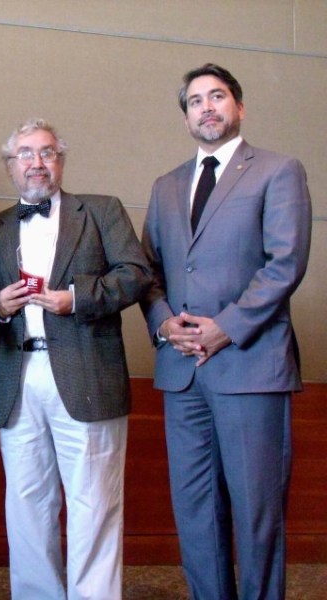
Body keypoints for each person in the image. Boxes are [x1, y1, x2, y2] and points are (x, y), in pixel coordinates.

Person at [141, 63, 312, 600]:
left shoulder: (279, 171)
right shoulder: (165, 186)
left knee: (256, 513)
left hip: (250, 366)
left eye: (217, 97)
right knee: (195, 513)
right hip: (181, 372)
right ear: (186, 115)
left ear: (239, 107)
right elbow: (147, 273)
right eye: (195, 100)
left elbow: (285, 263)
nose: (207, 107)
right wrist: (164, 323)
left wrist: (226, 328)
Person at [0, 118, 152, 600]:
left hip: (87, 373)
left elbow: (136, 274)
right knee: (26, 505)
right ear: (10, 166)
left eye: (47, 152)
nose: (37, 162)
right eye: (26, 154)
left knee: (94, 504)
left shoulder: (100, 210)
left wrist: (76, 299)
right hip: (18, 378)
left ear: (61, 160)